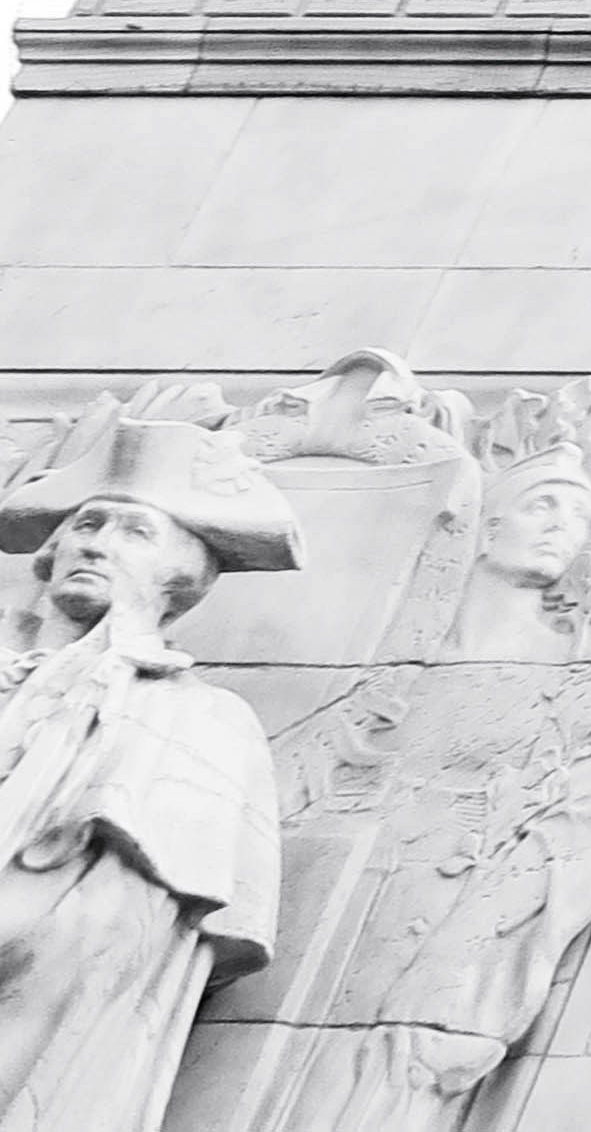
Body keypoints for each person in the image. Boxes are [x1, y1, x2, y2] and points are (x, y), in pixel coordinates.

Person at [0, 405, 298, 1129]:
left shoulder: (202, 718)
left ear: (178, 573)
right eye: (87, 523)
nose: (96, 544)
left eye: (134, 531)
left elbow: (125, 924)